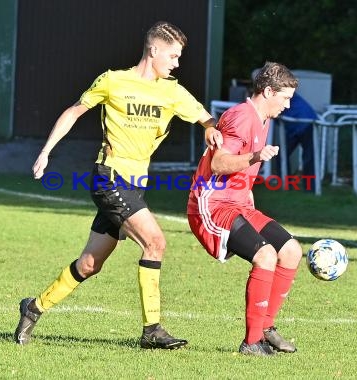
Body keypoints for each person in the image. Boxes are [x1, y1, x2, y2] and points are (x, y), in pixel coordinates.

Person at [14, 21, 222, 350]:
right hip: (109, 177)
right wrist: (45, 152)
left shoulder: (172, 91)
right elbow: (73, 112)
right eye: (173, 55)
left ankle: (33, 307)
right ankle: (152, 329)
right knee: (155, 243)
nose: (177, 63)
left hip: (134, 185)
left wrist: (211, 128)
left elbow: (204, 117)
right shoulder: (113, 81)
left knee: (89, 264)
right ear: (153, 51)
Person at [187, 62, 303, 356]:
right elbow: (218, 163)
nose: (287, 105)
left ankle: (266, 328)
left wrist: (248, 191)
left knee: (290, 250)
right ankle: (252, 342)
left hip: (238, 202)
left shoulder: (264, 119)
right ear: (267, 91)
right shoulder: (241, 116)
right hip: (211, 204)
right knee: (265, 255)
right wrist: (255, 157)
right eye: (285, 98)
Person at [278, 92, 317, 191]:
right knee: (308, 158)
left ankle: (287, 185)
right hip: (304, 122)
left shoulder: (279, 90)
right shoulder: (283, 88)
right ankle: (309, 188)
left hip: (302, 123)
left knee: (307, 158)